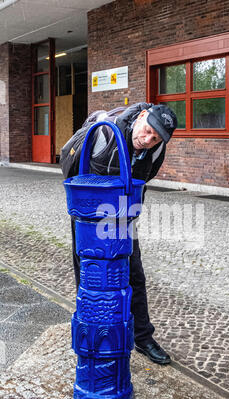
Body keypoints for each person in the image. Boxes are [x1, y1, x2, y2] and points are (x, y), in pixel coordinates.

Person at [71, 102, 178, 365]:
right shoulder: (104, 133)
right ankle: (90, 329)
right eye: (148, 130)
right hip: (87, 216)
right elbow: (74, 172)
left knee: (134, 274)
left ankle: (142, 337)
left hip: (121, 217)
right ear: (142, 116)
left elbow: (143, 181)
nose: (148, 139)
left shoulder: (156, 149)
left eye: (155, 138)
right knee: (89, 272)